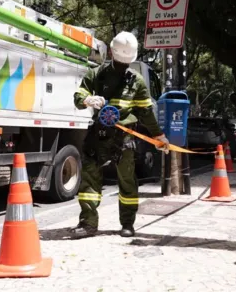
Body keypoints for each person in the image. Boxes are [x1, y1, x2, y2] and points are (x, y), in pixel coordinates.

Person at [71, 31, 170, 238]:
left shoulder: (137, 82)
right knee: (91, 180)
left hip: (124, 139)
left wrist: (158, 136)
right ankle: (89, 223)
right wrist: (88, 100)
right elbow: (78, 96)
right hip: (99, 136)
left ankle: (127, 224)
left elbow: (145, 113)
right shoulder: (96, 74)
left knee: (126, 181)